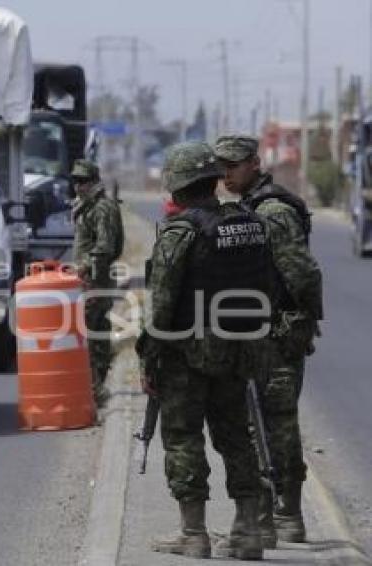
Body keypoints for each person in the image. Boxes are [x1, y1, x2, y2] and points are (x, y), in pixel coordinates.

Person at [136, 141, 269, 560]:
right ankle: (248, 532)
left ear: (177, 186)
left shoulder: (181, 233)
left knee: (182, 438)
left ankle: (193, 534)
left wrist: (148, 357)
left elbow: (160, 304)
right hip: (240, 350)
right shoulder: (248, 224)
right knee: (236, 438)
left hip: (186, 355)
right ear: (211, 181)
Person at [215, 134, 324, 545]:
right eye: (220, 165)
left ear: (254, 163)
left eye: (233, 164)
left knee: (275, 422)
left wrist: (305, 320)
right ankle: (276, 514)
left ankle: (287, 515)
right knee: (259, 420)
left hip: (277, 333)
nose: (225, 173)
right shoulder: (247, 206)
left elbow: (302, 272)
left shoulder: (273, 211)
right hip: (258, 332)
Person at [71, 159, 123, 407]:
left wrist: (86, 269)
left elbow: (105, 247)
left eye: (83, 181)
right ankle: (98, 385)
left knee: (90, 333)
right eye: (75, 181)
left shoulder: (101, 208)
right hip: (89, 279)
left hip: (95, 280)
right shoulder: (86, 206)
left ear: (93, 181)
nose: (78, 186)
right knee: (97, 331)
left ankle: (95, 388)